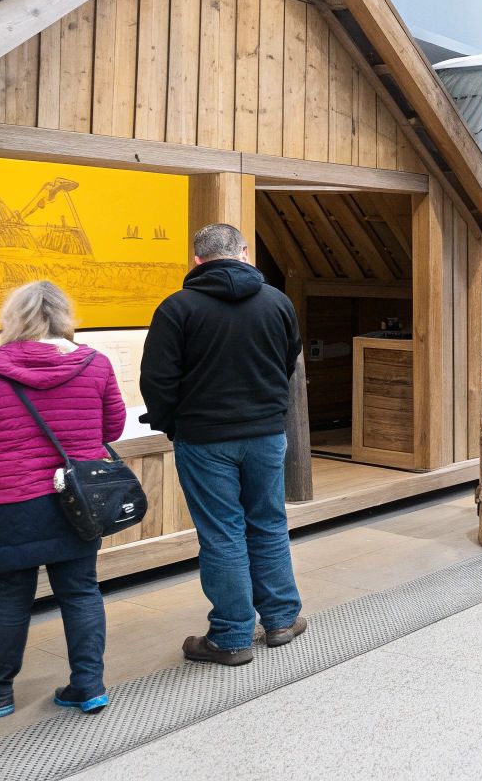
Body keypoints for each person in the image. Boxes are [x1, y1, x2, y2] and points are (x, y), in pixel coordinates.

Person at [0, 280, 122, 718]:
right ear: (65, 315)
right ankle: (88, 686)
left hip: (9, 503)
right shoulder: (95, 364)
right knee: (81, 591)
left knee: (10, 595)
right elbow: (112, 428)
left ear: (13, 318)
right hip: (75, 502)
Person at [141, 223, 304, 667]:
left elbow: (156, 380)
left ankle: (231, 637)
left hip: (204, 438)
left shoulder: (177, 308)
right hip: (266, 434)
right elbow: (288, 361)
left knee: (222, 533)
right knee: (268, 523)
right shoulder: (278, 302)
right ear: (245, 253)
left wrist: (172, 423)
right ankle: (281, 620)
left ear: (196, 260)